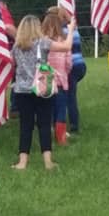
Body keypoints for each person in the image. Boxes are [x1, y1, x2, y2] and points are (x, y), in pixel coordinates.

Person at [11, 14, 74, 170]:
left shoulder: (16, 46)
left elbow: (13, 65)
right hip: (42, 88)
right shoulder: (43, 43)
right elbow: (66, 46)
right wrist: (71, 30)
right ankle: (48, 161)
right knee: (44, 125)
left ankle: (22, 162)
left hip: (22, 90)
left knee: (25, 126)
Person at [47, 6, 86, 134]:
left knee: (65, 98)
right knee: (71, 96)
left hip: (67, 67)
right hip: (80, 65)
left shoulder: (59, 34)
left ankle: (66, 126)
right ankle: (73, 123)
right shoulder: (73, 30)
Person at [42, 10, 73, 146]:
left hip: (46, 81)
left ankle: (46, 134)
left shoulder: (42, 42)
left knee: (46, 110)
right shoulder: (64, 42)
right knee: (60, 110)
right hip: (60, 81)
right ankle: (61, 137)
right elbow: (68, 64)